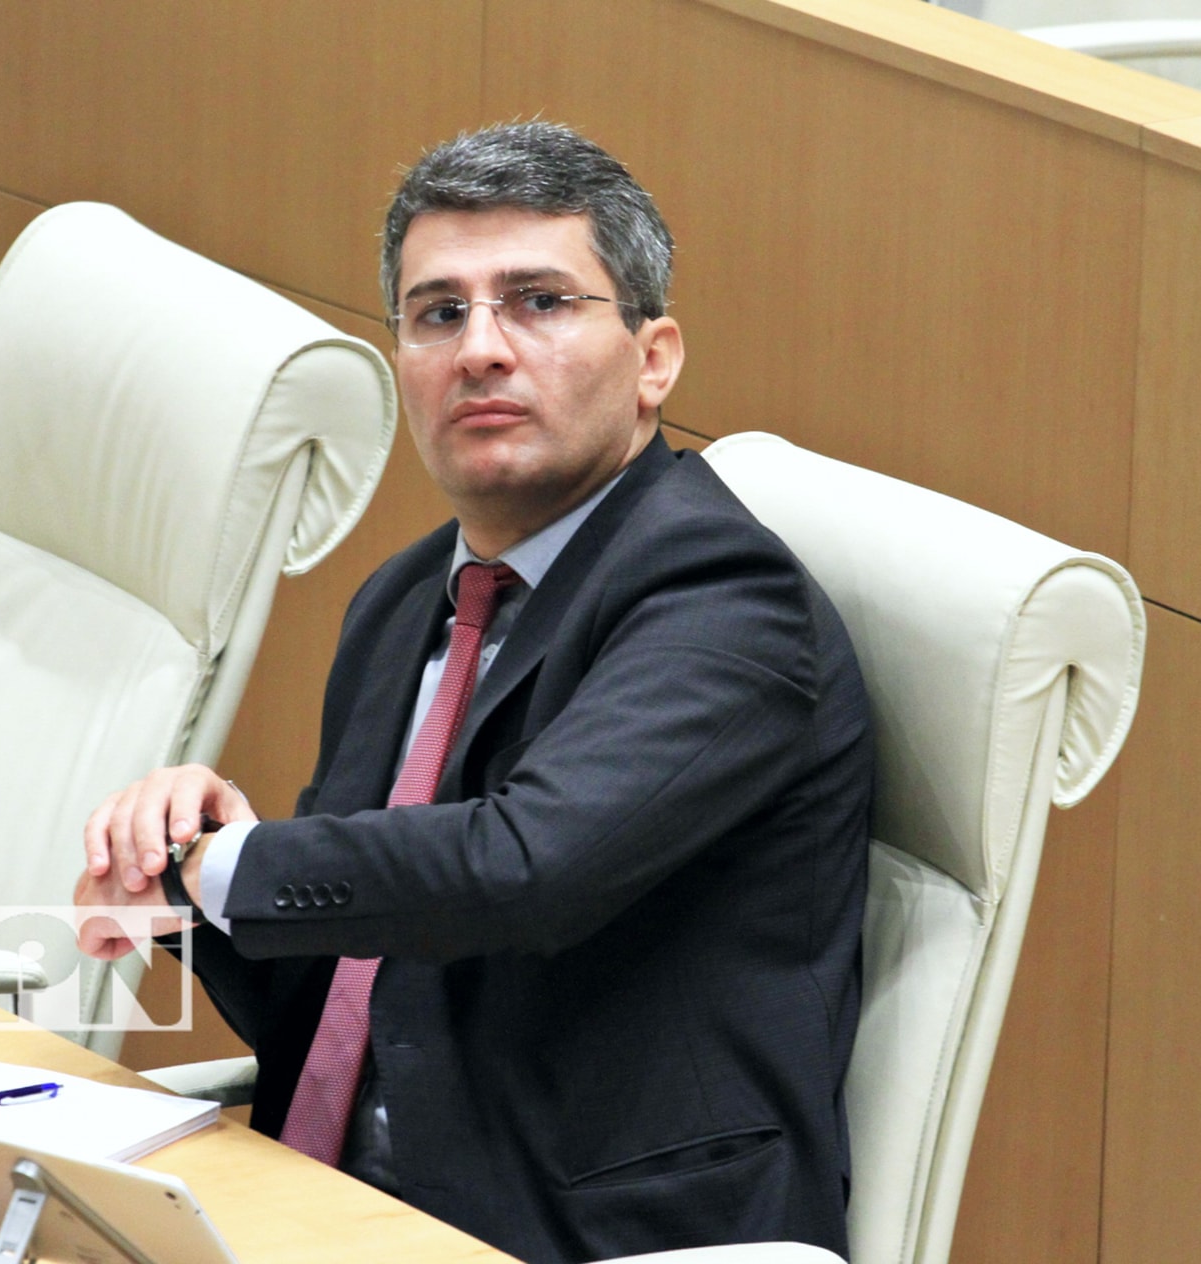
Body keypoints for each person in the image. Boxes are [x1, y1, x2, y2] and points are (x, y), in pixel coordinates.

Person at [73, 121, 872, 1264]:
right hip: (334, 1207)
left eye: (538, 302)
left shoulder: (720, 593)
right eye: (437, 313)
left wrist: (236, 867)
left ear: (652, 359)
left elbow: (521, 869)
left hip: (590, 1232)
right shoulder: (407, 600)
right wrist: (178, 874)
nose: (480, 349)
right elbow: (343, 991)